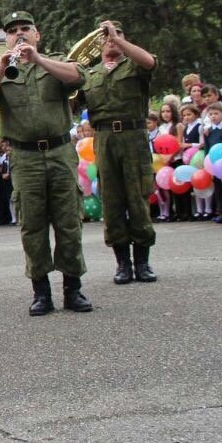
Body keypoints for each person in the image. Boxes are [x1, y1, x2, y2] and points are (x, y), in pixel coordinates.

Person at [0, 11, 92, 316]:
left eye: (26, 28)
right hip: (24, 156)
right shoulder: (2, 70)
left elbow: (79, 77)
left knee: (68, 221)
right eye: (13, 31)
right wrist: (1, 70)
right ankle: (41, 292)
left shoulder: (54, 62)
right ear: (6, 39)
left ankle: (73, 289)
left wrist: (38, 60)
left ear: (37, 35)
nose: (20, 33)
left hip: (59, 151)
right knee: (32, 224)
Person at [79, 20, 158, 284]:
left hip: (133, 136)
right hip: (104, 138)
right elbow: (67, 100)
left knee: (138, 197)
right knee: (112, 202)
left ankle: (143, 263)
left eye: (117, 33)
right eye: (106, 35)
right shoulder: (89, 75)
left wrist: (119, 39)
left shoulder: (134, 64)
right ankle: (122, 263)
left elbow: (148, 62)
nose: (111, 38)